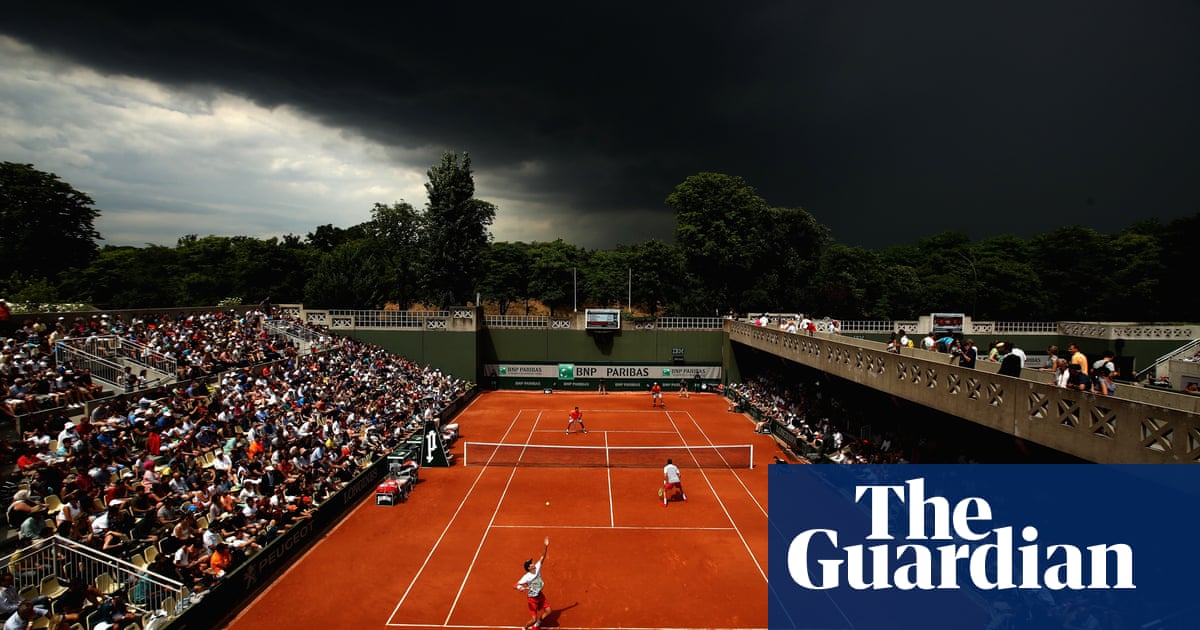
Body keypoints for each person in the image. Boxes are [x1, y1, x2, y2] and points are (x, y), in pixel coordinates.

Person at [514, 536, 552, 630]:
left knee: (548, 611)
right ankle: (524, 628)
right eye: (531, 563)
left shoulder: (537, 567)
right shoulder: (526, 577)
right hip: (532, 599)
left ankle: (537, 625)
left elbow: (542, 557)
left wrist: (546, 546)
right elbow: (515, 585)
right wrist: (520, 587)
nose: (533, 563)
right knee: (533, 619)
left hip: (540, 595)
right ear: (529, 568)